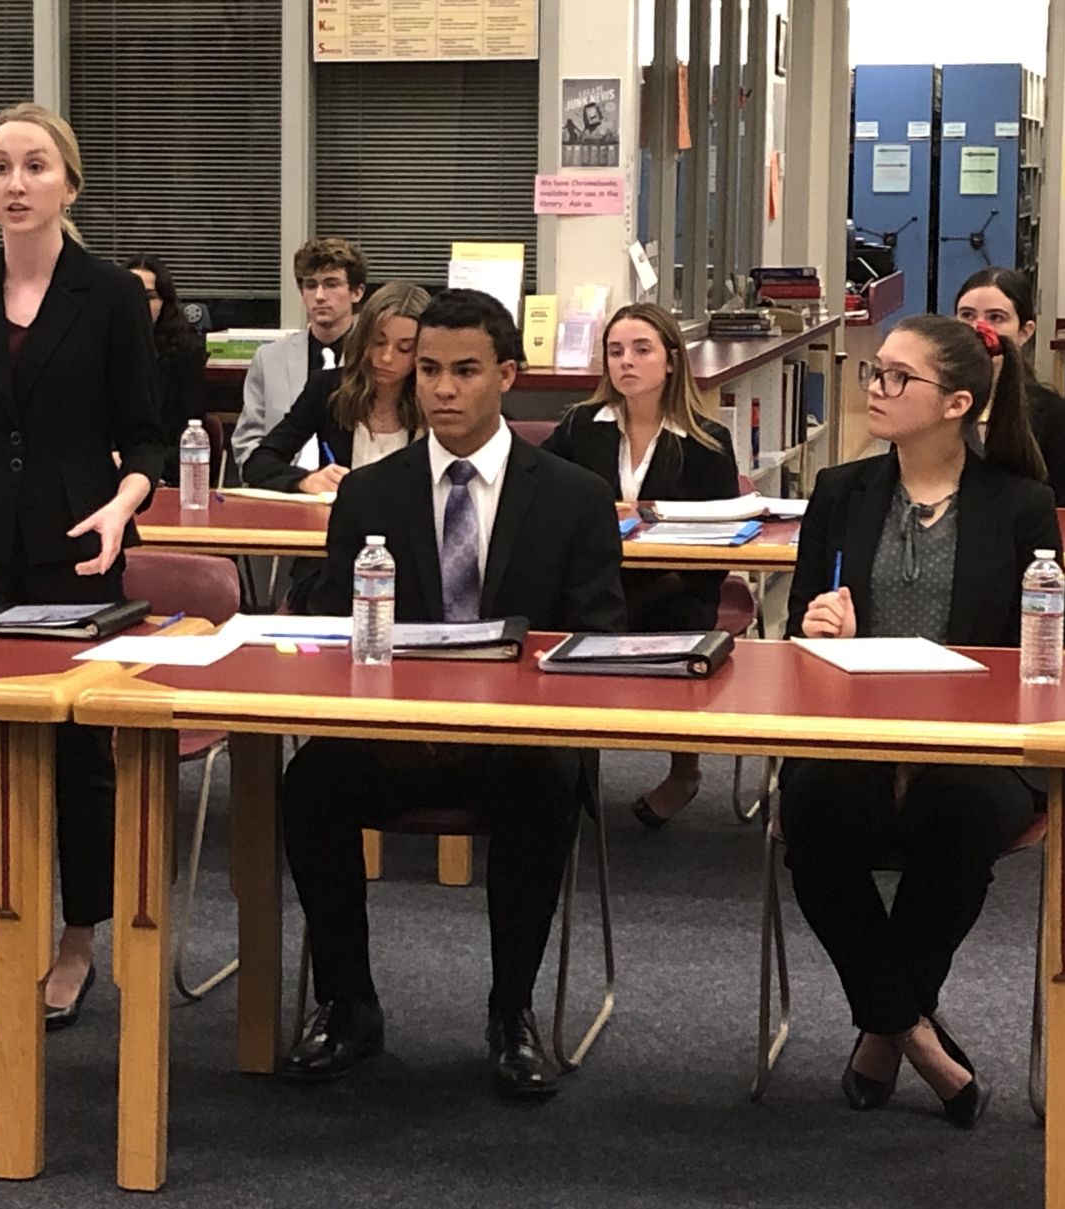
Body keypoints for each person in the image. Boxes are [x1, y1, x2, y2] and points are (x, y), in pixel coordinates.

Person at [277, 289, 627, 1099]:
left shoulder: (573, 496)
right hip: (394, 734)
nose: (441, 388)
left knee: (545, 790)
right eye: (428, 369)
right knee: (309, 785)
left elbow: (597, 635)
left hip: (513, 738)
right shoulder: (371, 493)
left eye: (464, 371)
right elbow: (333, 624)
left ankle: (512, 1012)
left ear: (506, 374)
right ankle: (348, 1002)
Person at [781, 313, 1065, 1129]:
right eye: (874, 371)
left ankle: (884, 1032)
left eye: (896, 377)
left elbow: (1060, 635)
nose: (875, 388)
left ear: (955, 404)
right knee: (813, 814)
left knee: (960, 815)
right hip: (856, 732)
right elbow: (796, 626)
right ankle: (913, 1033)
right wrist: (817, 626)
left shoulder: (1019, 504)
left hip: (973, 743)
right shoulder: (841, 492)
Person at [0, 101, 163, 1029]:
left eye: (33, 166)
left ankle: (81, 934)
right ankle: (13, 923)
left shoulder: (109, 294)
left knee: (80, 750)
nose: (14, 184)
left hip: (78, 539)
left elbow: (145, 434)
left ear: (69, 183)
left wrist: (124, 503)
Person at [542, 302, 740, 830]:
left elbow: (720, 547)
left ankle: (684, 771)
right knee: (558, 619)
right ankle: (567, 770)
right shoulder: (581, 426)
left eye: (641, 350)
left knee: (680, 625)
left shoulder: (706, 442)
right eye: (615, 351)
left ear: (671, 361)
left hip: (674, 586)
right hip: (592, 583)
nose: (626, 361)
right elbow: (545, 499)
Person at [241, 280, 429, 495]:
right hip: (340, 512)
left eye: (404, 348)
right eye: (378, 342)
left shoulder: (433, 401)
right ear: (363, 338)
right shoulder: (328, 389)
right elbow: (258, 464)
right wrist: (305, 481)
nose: (387, 357)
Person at [229, 236, 368, 469]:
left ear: (356, 292)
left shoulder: (371, 358)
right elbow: (247, 442)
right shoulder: (270, 359)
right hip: (284, 481)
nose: (320, 296)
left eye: (331, 284)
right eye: (310, 285)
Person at [954, 266, 1065, 507]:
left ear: (1024, 332)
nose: (978, 328)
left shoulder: (1055, 415)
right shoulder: (929, 401)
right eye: (967, 315)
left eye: (996, 318)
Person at [124, 255, 209, 484]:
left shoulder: (185, 355)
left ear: (164, 302)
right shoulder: (98, 349)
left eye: (149, 297)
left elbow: (188, 435)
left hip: (164, 473)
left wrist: (146, 469)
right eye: (131, 295)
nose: (140, 304)